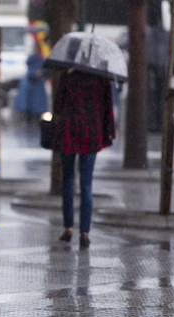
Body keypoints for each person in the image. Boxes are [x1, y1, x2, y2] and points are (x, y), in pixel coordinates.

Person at [52, 69, 115, 248]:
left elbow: (58, 106)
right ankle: (85, 232)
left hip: (69, 133)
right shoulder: (102, 80)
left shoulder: (68, 76)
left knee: (68, 180)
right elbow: (107, 109)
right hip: (91, 134)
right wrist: (108, 131)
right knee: (87, 183)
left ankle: (68, 227)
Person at [13, 53, 49, 123]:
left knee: (33, 106)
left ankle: (31, 118)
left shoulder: (40, 59)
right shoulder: (35, 60)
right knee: (30, 105)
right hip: (33, 83)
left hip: (36, 84)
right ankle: (29, 118)